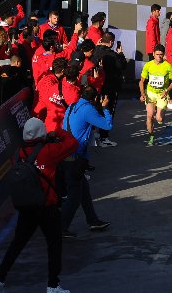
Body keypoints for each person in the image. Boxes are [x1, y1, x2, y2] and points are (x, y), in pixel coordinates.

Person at [0, 118, 78, 293]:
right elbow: (72, 143)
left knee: (17, 244)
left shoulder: (20, 153)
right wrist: (57, 132)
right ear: (41, 132)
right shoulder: (49, 151)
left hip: (26, 207)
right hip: (47, 208)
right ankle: (53, 285)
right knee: (54, 244)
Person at [61, 85, 114, 236]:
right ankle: (61, 227)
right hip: (75, 158)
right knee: (75, 196)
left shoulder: (72, 106)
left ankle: (93, 220)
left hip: (67, 154)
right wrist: (105, 108)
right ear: (95, 98)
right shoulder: (88, 109)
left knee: (84, 191)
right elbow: (107, 125)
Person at [139, 44, 172, 146]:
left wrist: (167, 90)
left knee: (159, 118)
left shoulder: (168, 66)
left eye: (161, 54)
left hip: (162, 94)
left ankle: (160, 118)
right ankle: (151, 135)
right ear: (153, 54)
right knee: (149, 115)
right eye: (157, 54)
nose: (159, 57)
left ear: (163, 54)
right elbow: (142, 81)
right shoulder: (148, 65)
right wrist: (142, 93)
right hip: (150, 93)